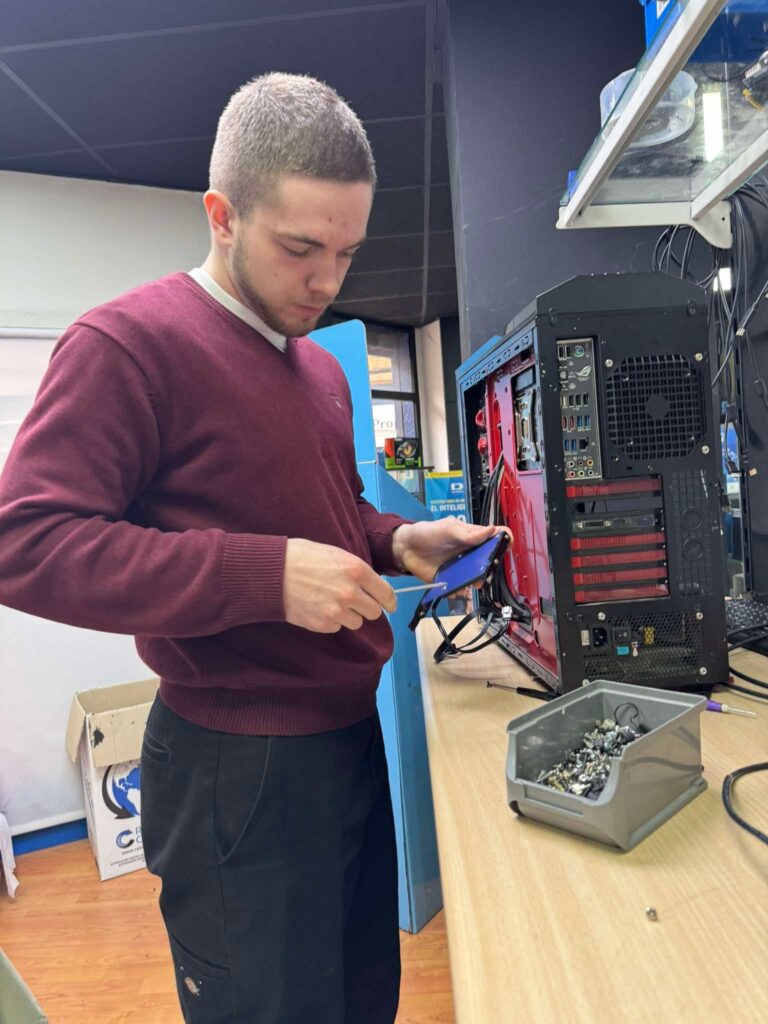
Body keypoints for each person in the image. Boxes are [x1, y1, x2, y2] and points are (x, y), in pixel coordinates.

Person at [0, 72, 500, 1023]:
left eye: (346, 253)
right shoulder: (127, 344)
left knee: (363, 1001)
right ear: (222, 215)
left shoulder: (319, 369)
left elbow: (329, 514)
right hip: (236, 765)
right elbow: (25, 541)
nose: (326, 282)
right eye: (300, 248)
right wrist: (263, 577)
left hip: (349, 740)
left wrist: (399, 539)